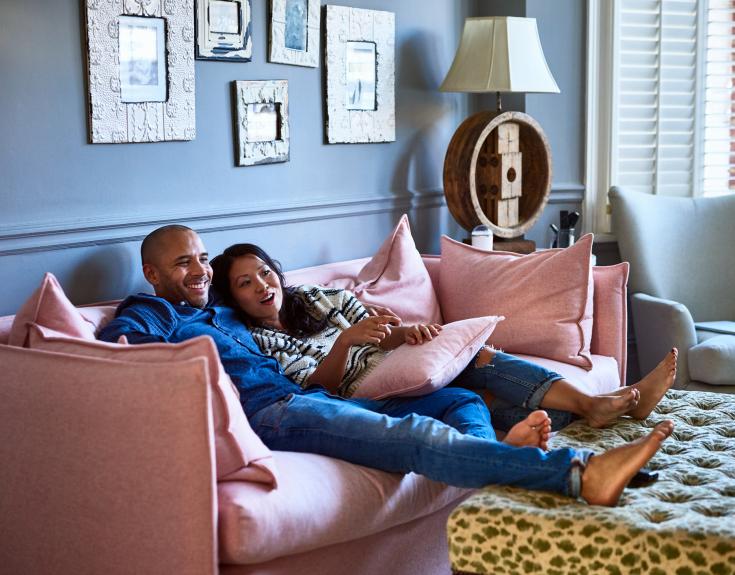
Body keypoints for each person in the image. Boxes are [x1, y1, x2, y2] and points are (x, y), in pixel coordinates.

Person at [98, 225, 674, 507]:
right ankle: (577, 474)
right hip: (271, 414)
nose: (198, 270)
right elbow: (121, 357)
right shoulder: (152, 309)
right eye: (182, 263)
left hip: (315, 402)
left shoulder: (222, 310)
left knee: (457, 401)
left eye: (201, 258)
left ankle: (507, 460)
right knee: (416, 435)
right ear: (153, 274)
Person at [210, 242, 677, 433]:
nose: (261, 286)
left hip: (387, 361)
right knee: (468, 392)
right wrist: (347, 343)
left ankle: (602, 406)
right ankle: (611, 406)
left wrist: (404, 333)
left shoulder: (312, 297)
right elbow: (317, 388)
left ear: (278, 274)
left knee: (482, 359)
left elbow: (380, 331)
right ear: (232, 297)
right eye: (245, 283)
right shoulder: (253, 339)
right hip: (356, 388)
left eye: (264, 273)